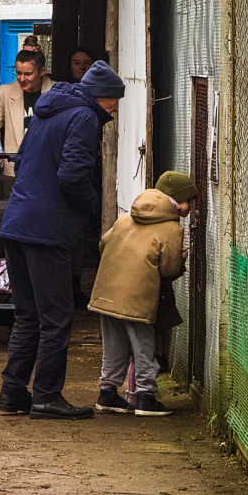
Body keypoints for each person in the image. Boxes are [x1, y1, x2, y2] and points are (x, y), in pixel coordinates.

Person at [0, 60, 125, 420]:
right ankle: (47, 395)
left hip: (17, 221)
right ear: (101, 98)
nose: (114, 111)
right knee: (56, 317)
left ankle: (12, 391)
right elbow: (72, 175)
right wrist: (91, 208)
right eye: (113, 104)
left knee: (28, 314)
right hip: (47, 229)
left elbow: (22, 162)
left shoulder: (47, 111)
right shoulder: (83, 118)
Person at [88, 171, 196, 417]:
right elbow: (168, 269)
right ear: (176, 200)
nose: (190, 207)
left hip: (106, 292)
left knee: (113, 346)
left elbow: (103, 244)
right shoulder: (172, 229)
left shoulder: (126, 218)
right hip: (138, 298)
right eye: (188, 200)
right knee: (144, 346)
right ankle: (145, 398)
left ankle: (107, 393)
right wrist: (181, 261)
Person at [0, 49, 54, 176]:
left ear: (41, 72)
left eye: (28, 74)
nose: (22, 79)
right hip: (15, 172)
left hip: (48, 172)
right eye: (18, 73)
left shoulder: (58, 93)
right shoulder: (6, 93)